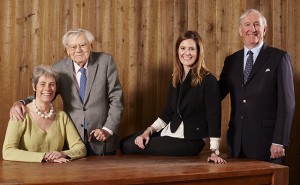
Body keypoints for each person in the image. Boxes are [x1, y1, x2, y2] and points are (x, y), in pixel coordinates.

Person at [10, 28, 124, 156]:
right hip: (72, 140)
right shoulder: (58, 69)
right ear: (67, 50)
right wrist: (21, 102)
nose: (78, 50)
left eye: (82, 45)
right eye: (73, 47)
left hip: (103, 138)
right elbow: (46, 94)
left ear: (91, 46)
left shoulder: (105, 61)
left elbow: (117, 98)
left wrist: (108, 129)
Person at [120, 31, 226, 164]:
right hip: (171, 132)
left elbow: (214, 117)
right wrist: (148, 131)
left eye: (192, 49)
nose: (187, 53)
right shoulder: (176, 78)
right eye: (183, 48)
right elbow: (167, 112)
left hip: (190, 141)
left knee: (129, 146)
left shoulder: (208, 80)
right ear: (177, 51)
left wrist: (214, 151)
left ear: (199, 52)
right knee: (126, 141)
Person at [218, 9, 295, 163]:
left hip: (267, 145)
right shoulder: (231, 61)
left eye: (256, 25)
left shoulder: (279, 58)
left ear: (264, 30)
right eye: (247, 25)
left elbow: (287, 103)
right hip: (236, 143)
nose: (252, 29)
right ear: (241, 30)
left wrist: (279, 140)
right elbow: (216, 94)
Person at [3, 65, 86, 163]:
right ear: (34, 86)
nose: (48, 89)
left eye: (52, 84)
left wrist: (63, 153)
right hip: (25, 175)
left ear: (56, 89)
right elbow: (8, 151)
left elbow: (81, 148)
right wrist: (44, 156)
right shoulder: (20, 114)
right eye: (42, 84)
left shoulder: (62, 117)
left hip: (57, 174)